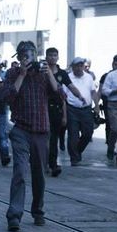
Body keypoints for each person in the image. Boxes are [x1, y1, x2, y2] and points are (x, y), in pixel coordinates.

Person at [4, 41, 66, 232]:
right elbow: (8, 97)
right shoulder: (13, 73)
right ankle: (14, 215)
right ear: (19, 57)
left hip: (41, 130)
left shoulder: (44, 74)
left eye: (31, 55)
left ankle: (38, 210)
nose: (28, 59)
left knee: (39, 174)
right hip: (21, 130)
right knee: (20, 172)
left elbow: (60, 94)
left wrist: (49, 73)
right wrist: (22, 74)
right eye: (24, 56)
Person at [45, 47, 83, 176]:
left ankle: (53, 164)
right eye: (50, 55)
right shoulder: (41, 72)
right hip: (42, 108)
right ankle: (44, 162)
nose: (52, 57)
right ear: (46, 57)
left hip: (57, 109)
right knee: (45, 138)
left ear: (58, 57)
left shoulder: (62, 74)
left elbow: (70, 87)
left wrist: (80, 96)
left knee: (54, 138)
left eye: (55, 55)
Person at [65, 57, 99, 166]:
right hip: (72, 108)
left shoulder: (88, 77)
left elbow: (93, 92)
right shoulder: (68, 77)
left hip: (86, 109)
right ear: (73, 67)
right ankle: (74, 158)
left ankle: (77, 151)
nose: (79, 68)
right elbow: (63, 95)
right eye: (77, 66)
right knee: (73, 135)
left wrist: (97, 105)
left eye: (81, 66)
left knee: (88, 133)